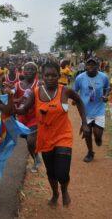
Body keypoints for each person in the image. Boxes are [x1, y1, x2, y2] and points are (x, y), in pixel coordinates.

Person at [16, 61, 89, 208]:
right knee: (51, 172)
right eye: (47, 75)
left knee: (62, 173)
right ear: (42, 75)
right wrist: (11, 108)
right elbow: (24, 110)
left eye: (53, 75)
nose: (50, 78)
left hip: (63, 135)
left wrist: (85, 123)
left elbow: (80, 101)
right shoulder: (36, 92)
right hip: (45, 137)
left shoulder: (66, 91)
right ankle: (55, 193)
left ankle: (64, 189)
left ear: (59, 75)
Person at [73, 57, 110, 162]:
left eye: (93, 64)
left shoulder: (103, 77)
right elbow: (75, 91)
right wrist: (75, 100)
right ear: (86, 66)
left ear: (97, 66)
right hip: (85, 111)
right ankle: (90, 152)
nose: (91, 67)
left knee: (97, 134)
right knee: (87, 133)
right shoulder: (80, 78)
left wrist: (106, 96)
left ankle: (98, 138)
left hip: (99, 109)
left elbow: (107, 88)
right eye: (89, 64)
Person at [12, 62, 41, 172]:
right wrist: (17, 100)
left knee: (30, 141)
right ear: (24, 71)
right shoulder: (17, 85)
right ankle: (36, 156)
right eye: (28, 69)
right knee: (29, 142)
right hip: (22, 118)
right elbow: (11, 99)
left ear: (36, 72)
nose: (30, 71)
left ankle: (35, 160)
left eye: (32, 69)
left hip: (35, 117)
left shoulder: (39, 84)